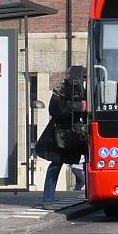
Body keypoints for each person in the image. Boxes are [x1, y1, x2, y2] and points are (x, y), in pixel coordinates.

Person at [35, 77, 86, 206]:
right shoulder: (61, 89)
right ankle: (48, 199)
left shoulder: (88, 87)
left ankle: (90, 193)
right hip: (62, 134)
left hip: (82, 132)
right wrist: (76, 107)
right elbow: (55, 111)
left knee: (89, 162)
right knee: (56, 164)